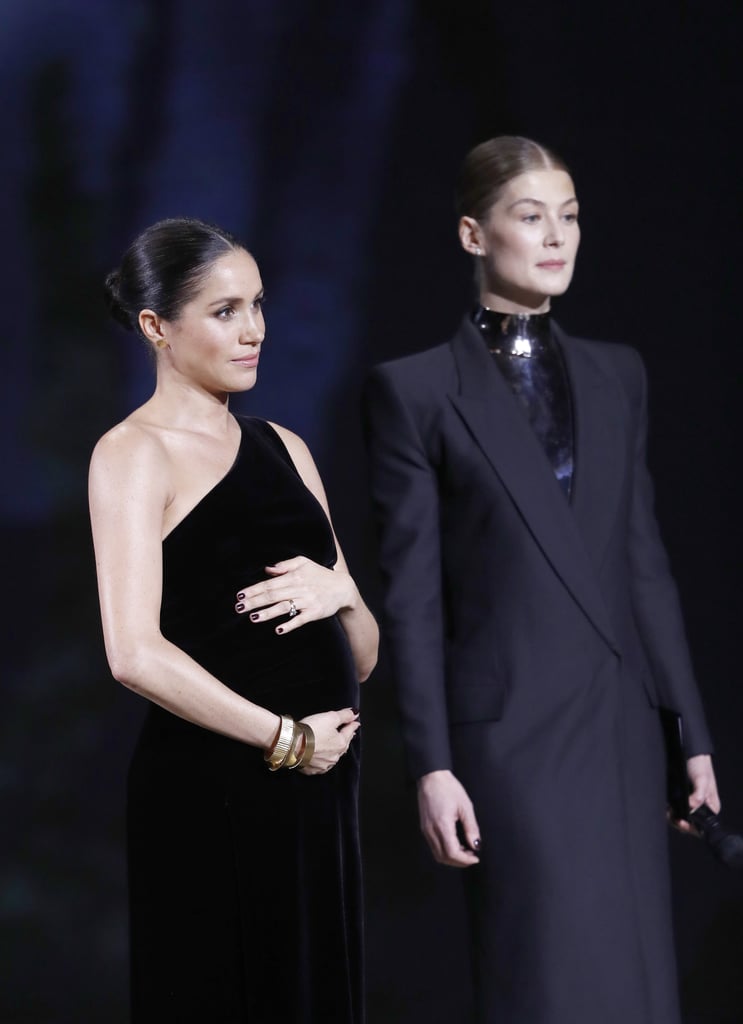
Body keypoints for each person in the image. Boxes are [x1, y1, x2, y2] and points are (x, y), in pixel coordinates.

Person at [362, 136, 719, 1023]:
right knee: (547, 981)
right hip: (510, 741)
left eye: (568, 216)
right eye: (530, 216)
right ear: (472, 235)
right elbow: (412, 594)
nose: (556, 237)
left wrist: (689, 734)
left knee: (637, 984)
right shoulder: (415, 391)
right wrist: (431, 764)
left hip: (619, 731)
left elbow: (642, 562)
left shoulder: (615, 373)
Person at [89, 217, 378, 1023]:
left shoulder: (286, 447)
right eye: (224, 311)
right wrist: (286, 740)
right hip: (217, 786)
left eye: (257, 305)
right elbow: (132, 653)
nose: (254, 330)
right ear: (157, 327)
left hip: (320, 791)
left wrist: (343, 596)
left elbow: (364, 656)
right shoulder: (132, 452)